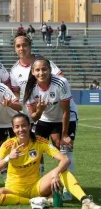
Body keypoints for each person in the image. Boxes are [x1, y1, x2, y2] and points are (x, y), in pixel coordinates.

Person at [0, 113, 101, 209]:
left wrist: (56, 173)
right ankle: (34, 201)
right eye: (17, 127)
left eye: (24, 126)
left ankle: (86, 201)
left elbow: (65, 160)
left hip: (36, 187)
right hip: (13, 189)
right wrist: (9, 158)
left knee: (63, 172)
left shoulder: (39, 141)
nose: (21, 129)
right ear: (13, 129)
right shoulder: (8, 145)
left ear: (29, 126)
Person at [23, 56, 78, 200]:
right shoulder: (30, 88)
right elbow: (34, 117)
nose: (41, 73)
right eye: (38, 70)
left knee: (65, 152)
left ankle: (67, 189)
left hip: (65, 118)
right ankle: (39, 185)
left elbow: (66, 111)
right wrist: (40, 110)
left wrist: (65, 134)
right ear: (33, 72)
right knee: (35, 151)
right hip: (44, 119)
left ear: (50, 70)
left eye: (44, 69)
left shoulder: (61, 82)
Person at [10, 35, 62, 107]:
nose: (21, 48)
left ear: (30, 46)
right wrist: (20, 103)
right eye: (18, 46)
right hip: (31, 110)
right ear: (15, 49)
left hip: (51, 107)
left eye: (24, 45)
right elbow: (16, 91)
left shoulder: (42, 61)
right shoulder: (14, 70)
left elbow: (61, 78)